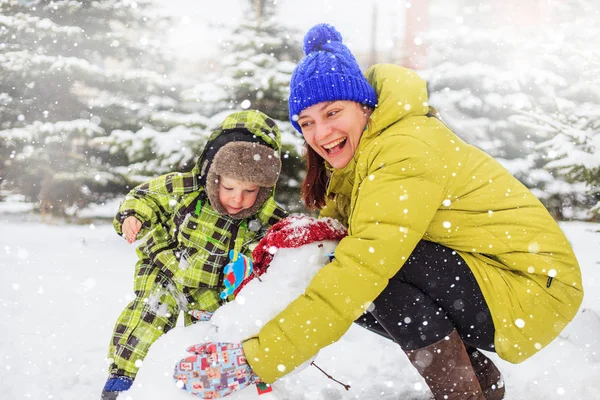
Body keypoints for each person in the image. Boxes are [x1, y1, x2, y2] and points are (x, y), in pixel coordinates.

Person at [174, 24, 583, 400]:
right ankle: (479, 384)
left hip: (531, 290)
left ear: (364, 106)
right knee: (341, 266)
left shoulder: (405, 148)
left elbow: (358, 270)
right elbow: (335, 255)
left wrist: (256, 358)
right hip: (497, 282)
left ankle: (463, 393)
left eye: (333, 112)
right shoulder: (362, 157)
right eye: (307, 122)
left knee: (366, 274)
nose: (321, 133)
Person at [101, 110, 287, 400]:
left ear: (264, 188)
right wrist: (134, 216)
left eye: (250, 190)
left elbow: (279, 242)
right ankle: (124, 379)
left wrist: (251, 261)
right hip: (166, 268)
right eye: (229, 187)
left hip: (214, 291)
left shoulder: (266, 217)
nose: (238, 198)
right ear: (213, 173)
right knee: (149, 314)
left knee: (209, 341)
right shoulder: (185, 188)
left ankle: (194, 389)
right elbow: (145, 197)